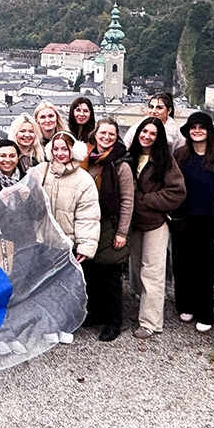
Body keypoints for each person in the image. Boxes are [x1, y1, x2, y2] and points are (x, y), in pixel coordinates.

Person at [30, 131, 101, 343]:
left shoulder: (84, 180)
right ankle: (49, 324)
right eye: (56, 148)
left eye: (65, 148)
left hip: (68, 241)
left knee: (68, 286)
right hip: (44, 240)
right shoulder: (42, 171)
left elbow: (88, 216)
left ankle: (67, 325)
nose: (60, 153)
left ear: (73, 150)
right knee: (46, 286)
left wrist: (86, 247)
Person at [173, 112, 214, 333]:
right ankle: (185, 304)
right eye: (193, 127)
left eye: (201, 127)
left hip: (209, 222)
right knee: (182, 265)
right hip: (183, 220)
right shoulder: (180, 156)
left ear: (209, 132)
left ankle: (205, 312)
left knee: (205, 269)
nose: (197, 130)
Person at [127, 118, 187, 339]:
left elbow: (177, 192)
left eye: (153, 133)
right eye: (144, 131)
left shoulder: (165, 161)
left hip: (154, 223)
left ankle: (151, 322)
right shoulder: (129, 157)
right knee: (136, 269)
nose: (147, 136)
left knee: (152, 272)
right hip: (133, 223)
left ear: (159, 137)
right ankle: (144, 310)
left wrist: (147, 201)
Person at [83, 118, 134, 341]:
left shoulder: (121, 164)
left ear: (116, 137)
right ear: (95, 134)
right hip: (90, 224)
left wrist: (122, 232)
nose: (106, 138)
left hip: (110, 225)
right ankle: (97, 313)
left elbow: (127, 201)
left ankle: (114, 322)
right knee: (92, 274)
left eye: (111, 135)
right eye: (103, 133)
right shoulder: (86, 160)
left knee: (111, 278)